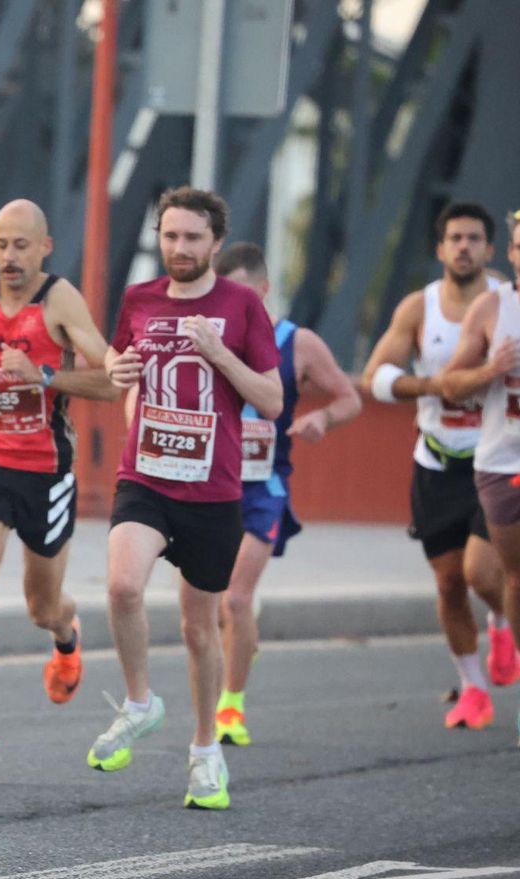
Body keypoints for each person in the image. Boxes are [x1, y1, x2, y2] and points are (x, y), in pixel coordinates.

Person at [93, 187, 282, 811]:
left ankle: (205, 751)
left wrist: (219, 351)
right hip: (145, 477)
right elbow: (120, 364)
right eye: (170, 236)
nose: (179, 248)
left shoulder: (241, 306)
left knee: (200, 628)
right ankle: (142, 700)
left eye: (192, 238)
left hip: (213, 490)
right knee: (122, 586)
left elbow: (273, 399)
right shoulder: (139, 299)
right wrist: (117, 372)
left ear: (216, 244)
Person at [0, 200, 117, 767]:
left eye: (21, 245)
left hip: (44, 470)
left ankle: (66, 636)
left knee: (41, 606)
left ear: (45, 247)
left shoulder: (59, 301)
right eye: (0, 245)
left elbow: (112, 379)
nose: (9, 257)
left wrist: (43, 375)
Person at [360, 202, 515, 729]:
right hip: (436, 459)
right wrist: (434, 385)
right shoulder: (418, 308)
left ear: (492, 250)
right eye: (455, 238)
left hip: (494, 460)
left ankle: (500, 618)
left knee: (483, 572)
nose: (464, 246)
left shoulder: (505, 306)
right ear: (441, 248)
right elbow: (375, 376)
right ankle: (473, 687)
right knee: (449, 582)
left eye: (474, 238)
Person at [210, 242, 361, 746]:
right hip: (212, 487)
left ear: (265, 290)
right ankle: (241, 645)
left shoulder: (298, 343)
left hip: (264, 488)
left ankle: (230, 708)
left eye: (244, 294)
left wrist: (321, 417)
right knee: (213, 604)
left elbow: (349, 398)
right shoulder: (209, 339)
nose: (235, 306)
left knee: (235, 599)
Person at [437, 210, 520, 740]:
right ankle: (502, 632)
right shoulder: (495, 308)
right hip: (501, 464)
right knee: (504, 577)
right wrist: (491, 369)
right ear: (511, 253)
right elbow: (450, 386)